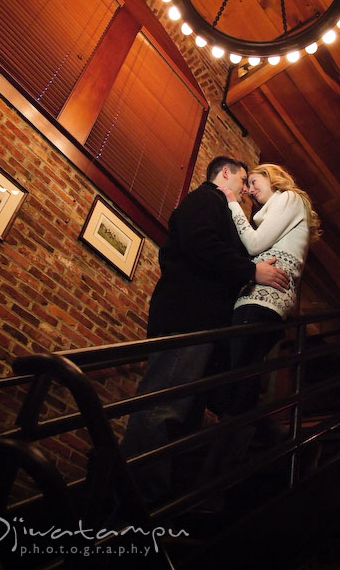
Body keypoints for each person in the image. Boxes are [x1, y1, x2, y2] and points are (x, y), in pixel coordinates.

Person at [119, 156, 290, 508]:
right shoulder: (206, 199)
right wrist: (251, 271)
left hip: (199, 324)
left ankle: (157, 503)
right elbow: (202, 245)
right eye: (243, 180)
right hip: (188, 321)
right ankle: (134, 506)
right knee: (162, 409)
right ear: (224, 173)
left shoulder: (219, 207)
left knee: (182, 417)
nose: (245, 190)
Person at [219, 162, 321, 418]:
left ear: (272, 177)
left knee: (239, 378)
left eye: (254, 182)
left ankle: (240, 441)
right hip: (260, 299)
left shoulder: (289, 198)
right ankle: (257, 436)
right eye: (248, 185)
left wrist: (232, 201)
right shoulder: (276, 212)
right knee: (241, 376)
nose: (250, 190)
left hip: (265, 300)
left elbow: (254, 245)